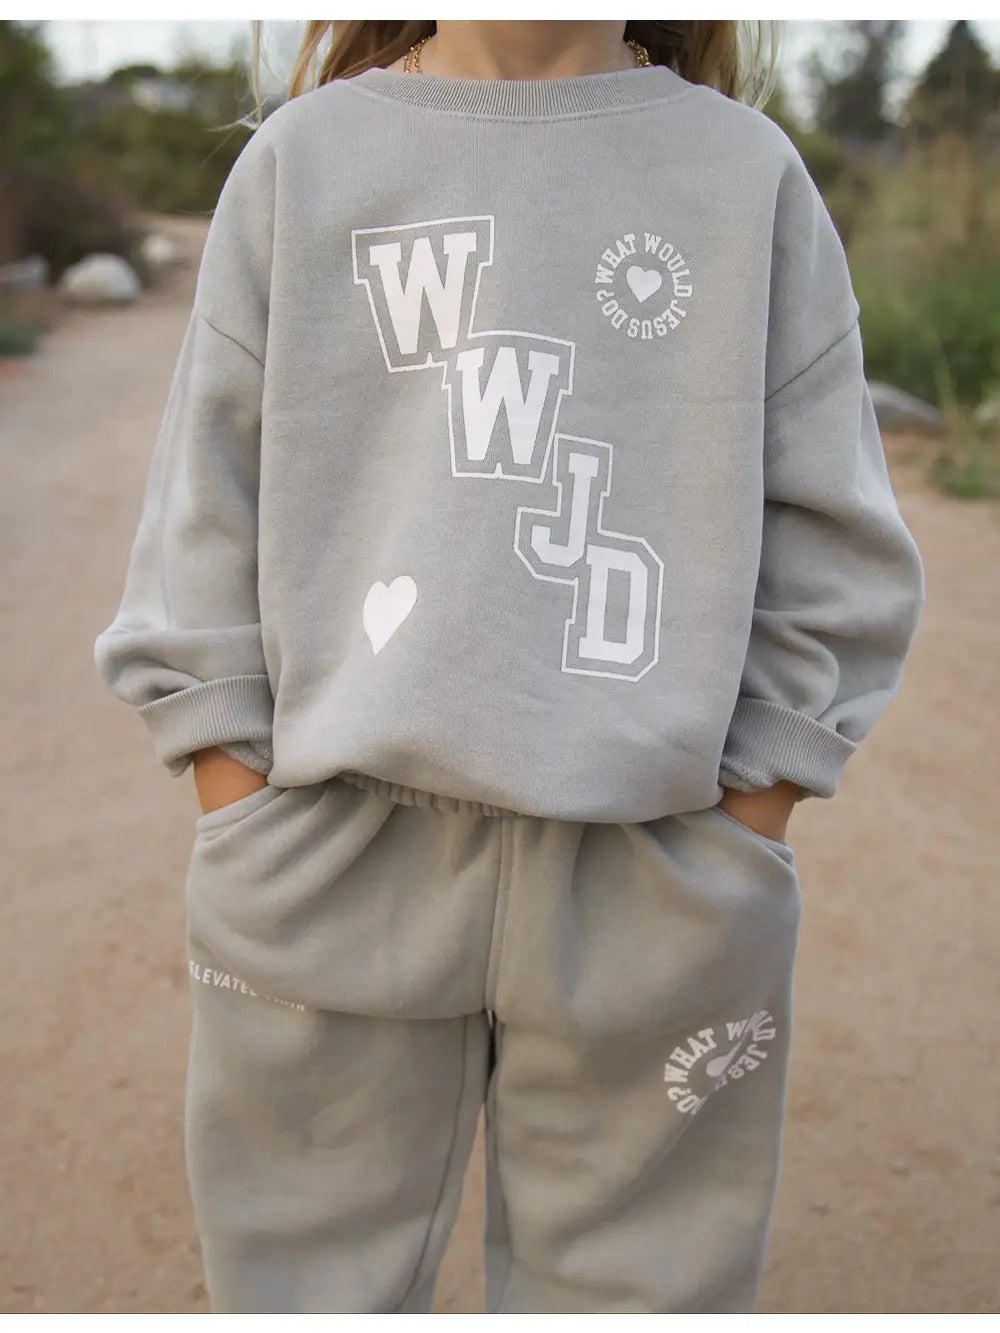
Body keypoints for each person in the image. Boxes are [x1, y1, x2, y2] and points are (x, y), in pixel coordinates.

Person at [93, 19, 925, 1315]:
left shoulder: (747, 175)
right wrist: (238, 800)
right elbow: (205, 509)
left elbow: (835, 537)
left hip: (657, 882)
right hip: (325, 864)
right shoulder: (305, 162)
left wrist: (741, 822)